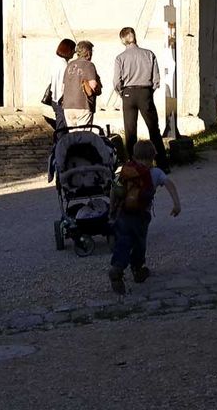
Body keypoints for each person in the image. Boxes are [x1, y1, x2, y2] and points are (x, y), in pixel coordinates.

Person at [108, 139, 180, 294]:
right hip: (141, 216)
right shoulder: (155, 172)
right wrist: (176, 204)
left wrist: (111, 208)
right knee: (139, 244)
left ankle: (117, 268)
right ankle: (137, 269)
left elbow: (114, 189)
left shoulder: (124, 170)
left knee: (123, 241)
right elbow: (169, 184)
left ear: (133, 154)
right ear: (153, 155)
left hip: (123, 214)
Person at [112, 26, 167, 169]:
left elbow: (116, 82)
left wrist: (122, 93)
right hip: (145, 92)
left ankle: (132, 165)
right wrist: (149, 92)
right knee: (154, 129)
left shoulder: (120, 58)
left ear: (123, 40)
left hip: (128, 93)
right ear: (134, 36)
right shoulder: (149, 54)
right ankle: (162, 163)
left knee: (130, 131)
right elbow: (156, 79)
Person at [59, 40, 101, 126]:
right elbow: (93, 85)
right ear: (88, 53)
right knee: (83, 136)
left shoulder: (69, 65)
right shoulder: (89, 65)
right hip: (83, 105)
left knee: (73, 135)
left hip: (68, 106)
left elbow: (63, 87)